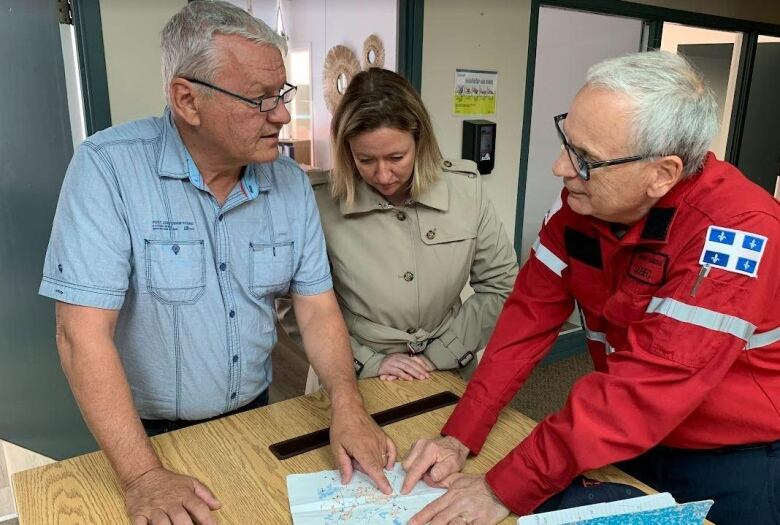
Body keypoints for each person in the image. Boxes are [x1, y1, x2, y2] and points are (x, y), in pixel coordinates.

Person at [38, 2, 395, 524]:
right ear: (187, 99)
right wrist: (141, 475)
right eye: (260, 100)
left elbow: (317, 309)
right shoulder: (107, 169)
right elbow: (80, 335)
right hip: (144, 436)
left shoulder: (290, 183)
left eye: (283, 94)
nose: (280, 114)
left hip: (256, 413)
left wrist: (348, 406)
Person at [401, 50, 780, 525]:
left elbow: (642, 391)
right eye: (567, 143)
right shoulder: (580, 210)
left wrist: (503, 489)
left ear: (662, 173)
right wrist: (462, 432)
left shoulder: (738, 233)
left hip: (734, 458)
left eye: (585, 159)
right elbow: (524, 324)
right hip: (627, 440)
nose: (561, 167)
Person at [282, 68, 517, 384]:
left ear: (420, 141)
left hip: (447, 369)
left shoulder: (466, 191)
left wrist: (444, 352)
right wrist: (367, 361)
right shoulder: (317, 202)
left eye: (396, 157)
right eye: (365, 160)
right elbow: (294, 303)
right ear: (346, 151)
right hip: (350, 375)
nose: (383, 175)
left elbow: (501, 284)